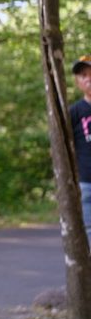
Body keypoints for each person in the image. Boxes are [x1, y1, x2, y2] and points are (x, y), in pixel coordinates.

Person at [71, 55, 91, 244]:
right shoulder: (75, 112)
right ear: (78, 82)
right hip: (86, 182)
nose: (88, 79)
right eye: (83, 75)